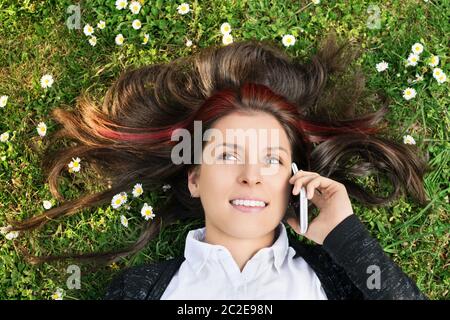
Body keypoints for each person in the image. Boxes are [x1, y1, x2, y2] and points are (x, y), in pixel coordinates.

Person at [6, 33, 429, 299]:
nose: (251, 175)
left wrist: (346, 238)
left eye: (272, 159)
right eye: (227, 155)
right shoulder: (138, 290)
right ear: (194, 178)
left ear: (295, 182)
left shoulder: (342, 281)